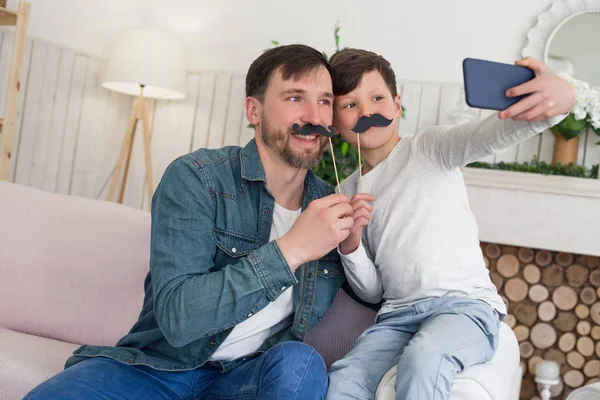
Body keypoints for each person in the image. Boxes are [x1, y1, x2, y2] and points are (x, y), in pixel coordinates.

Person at [25, 44, 355, 400]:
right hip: (159, 369)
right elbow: (179, 319)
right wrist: (292, 249)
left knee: (300, 361)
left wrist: (353, 248)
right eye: (295, 98)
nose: (314, 116)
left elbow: (383, 294)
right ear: (253, 109)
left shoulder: (331, 208)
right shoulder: (198, 178)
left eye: (324, 101)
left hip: (244, 379)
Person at [325, 48, 574, 400]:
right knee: (344, 380)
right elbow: (372, 292)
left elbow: (491, 134)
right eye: (350, 105)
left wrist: (558, 103)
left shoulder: (431, 147)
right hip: (396, 317)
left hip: (463, 307)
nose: (366, 111)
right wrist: (350, 242)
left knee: (425, 358)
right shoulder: (346, 190)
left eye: (377, 98)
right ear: (335, 123)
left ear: (397, 105)